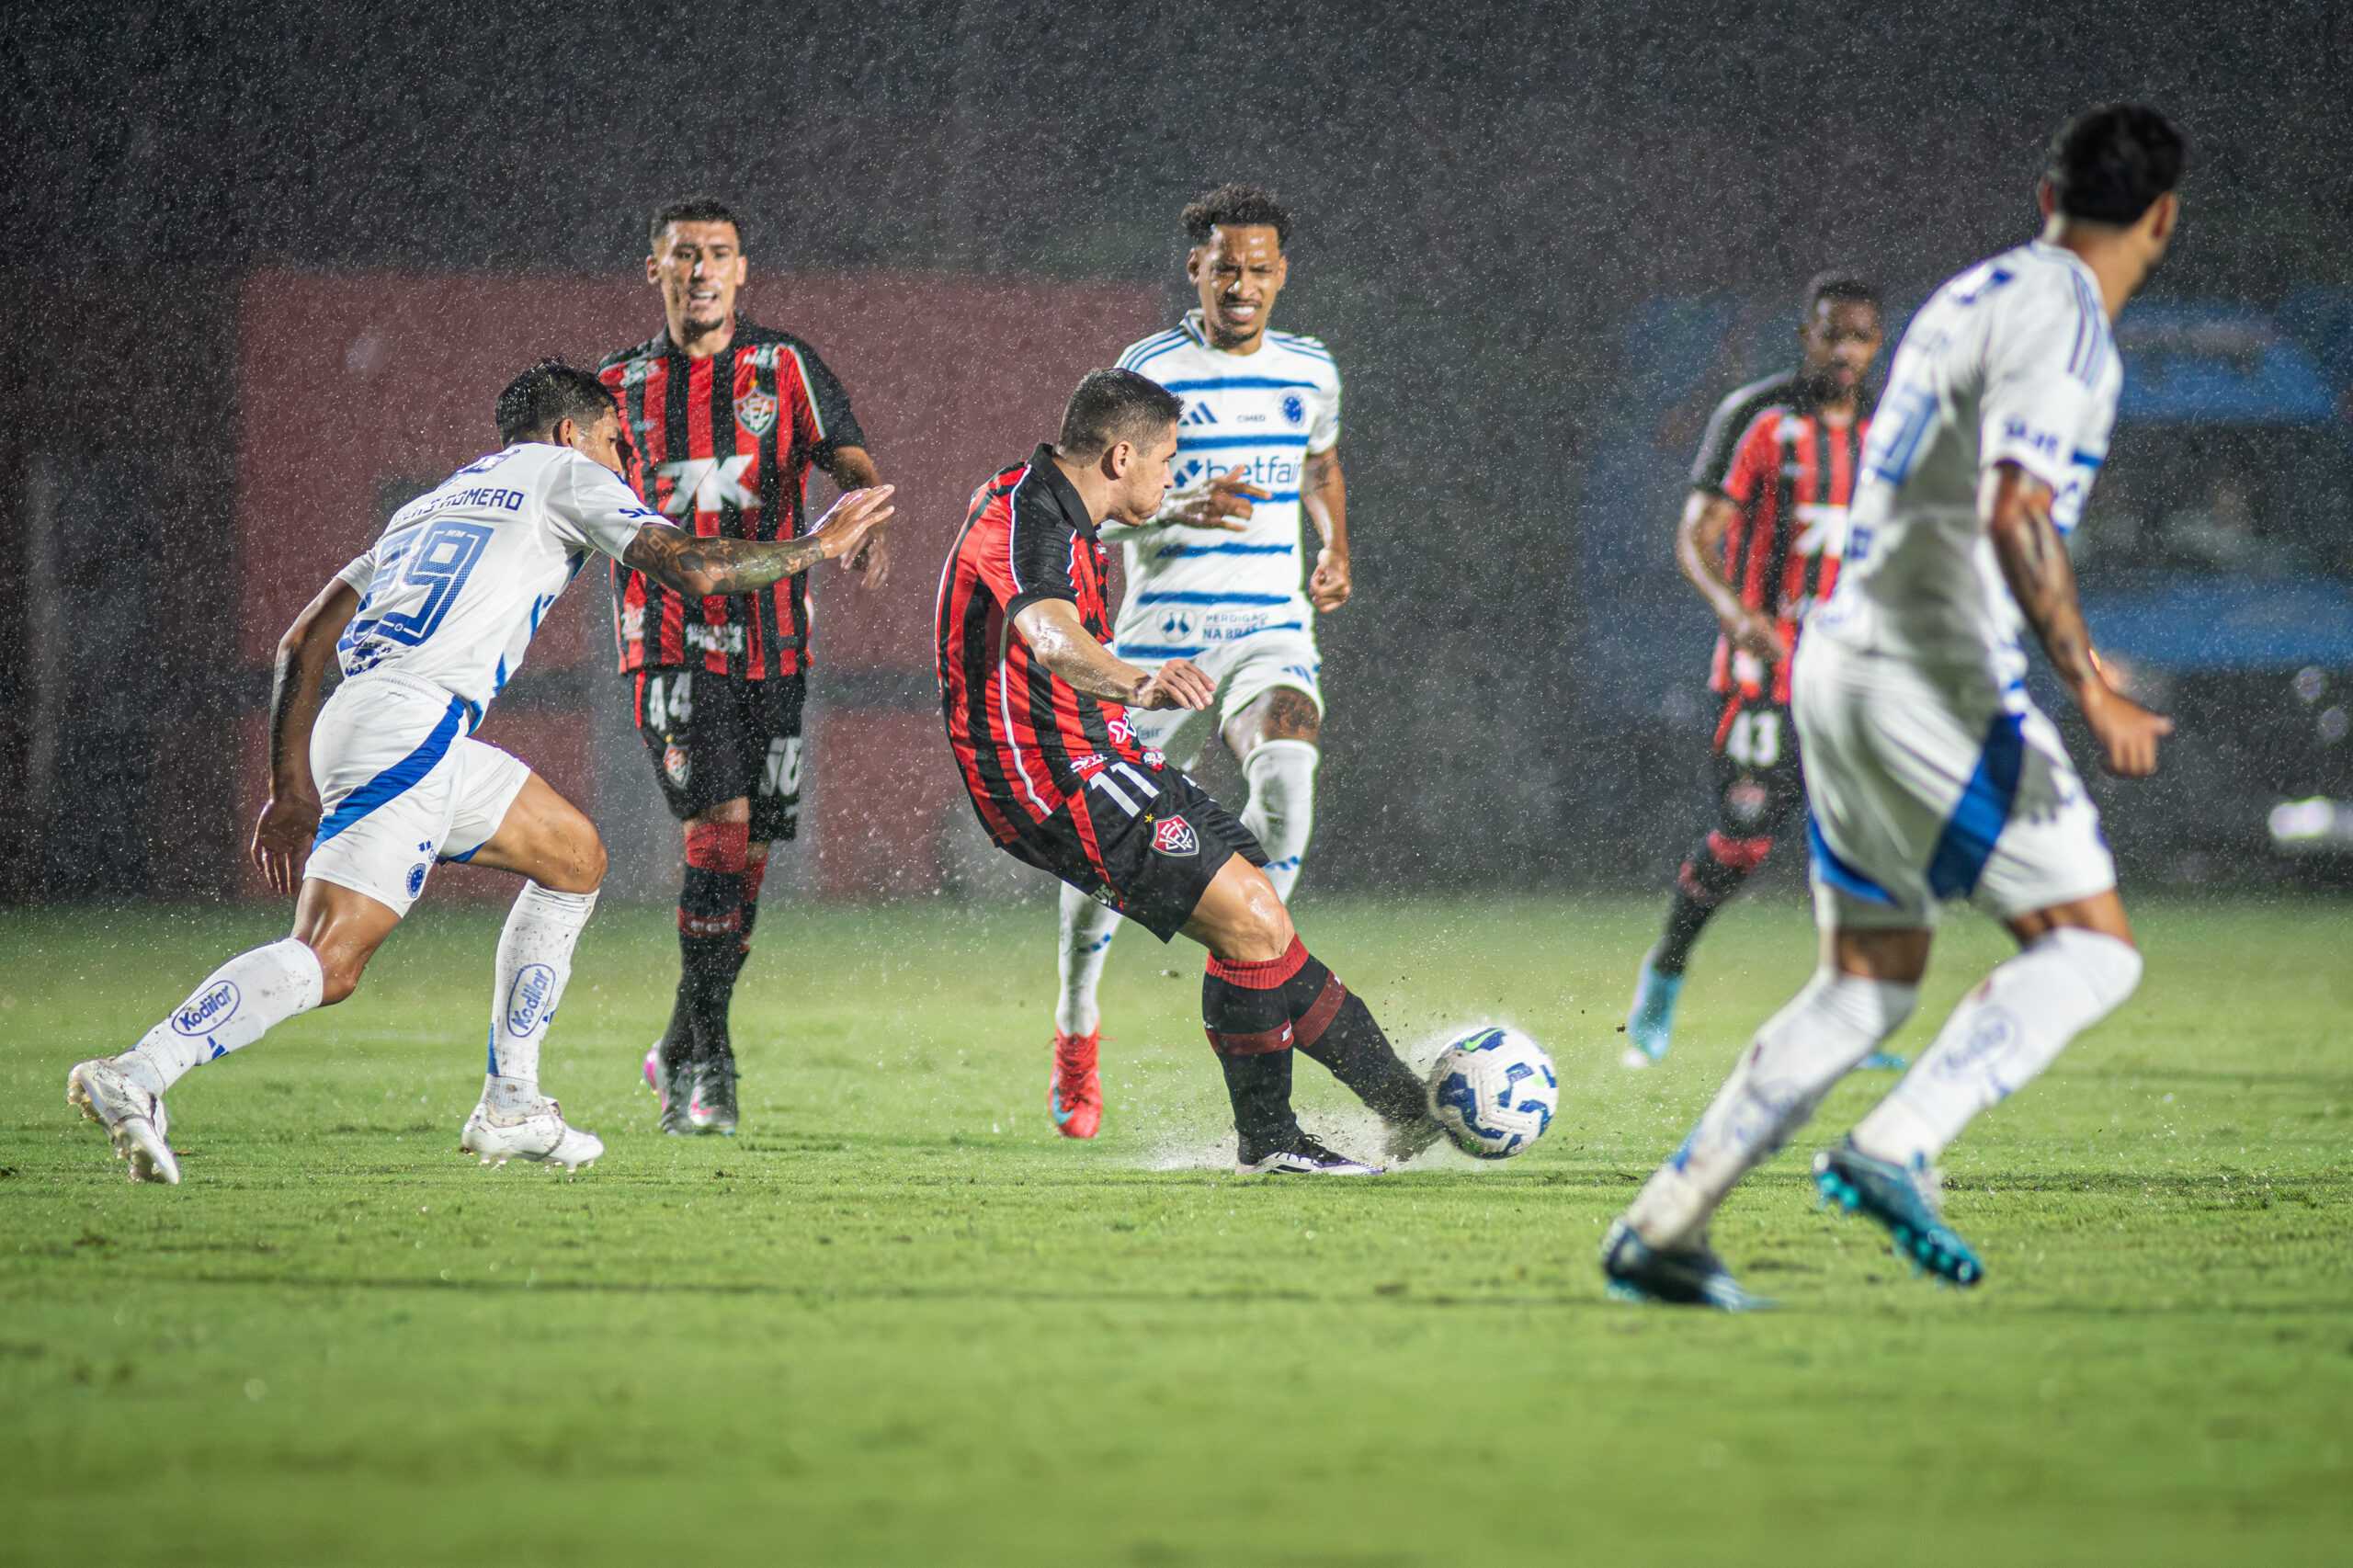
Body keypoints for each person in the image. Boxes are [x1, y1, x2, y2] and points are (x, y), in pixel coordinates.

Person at [1602, 103, 2187, 1307]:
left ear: (2046, 195)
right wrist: (2090, 681)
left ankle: (1664, 1225)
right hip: (1934, 668)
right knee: (2089, 948)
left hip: (1838, 658)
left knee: (1867, 979)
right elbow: (2017, 508)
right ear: (2164, 220)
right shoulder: (2071, 321)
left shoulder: (1972, 295)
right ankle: (1896, 1142)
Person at [66, 361, 893, 1184]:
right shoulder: (568, 472)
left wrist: (291, 786)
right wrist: (823, 542)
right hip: (409, 725)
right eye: (616, 441)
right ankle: (138, 1071)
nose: (627, 462)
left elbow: (301, 643)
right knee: (330, 959)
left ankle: (512, 1104)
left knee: (574, 858)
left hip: (384, 721)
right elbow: (698, 570)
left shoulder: (430, 502)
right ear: (572, 433)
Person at [938, 368, 1436, 1173]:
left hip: (1098, 751)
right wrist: (1139, 679)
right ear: (1121, 456)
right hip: (1047, 776)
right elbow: (1051, 636)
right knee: (1247, 921)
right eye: (1168, 461)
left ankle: (1405, 1109)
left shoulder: (1042, 495)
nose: (1172, 478)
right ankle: (1274, 1144)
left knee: (1261, 912)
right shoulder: (1032, 522)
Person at [1047, 184, 1350, 1140]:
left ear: (1282, 273)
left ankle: (1244, 960)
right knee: (1097, 838)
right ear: (1195, 270)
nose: (1242, 284)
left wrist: (1335, 540)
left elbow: (1319, 461)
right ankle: (1076, 1017)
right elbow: (1100, 503)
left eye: (1259, 268)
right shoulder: (1150, 369)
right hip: (1154, 640)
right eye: (1225, 267)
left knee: (1290, 774)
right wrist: (1180, 508)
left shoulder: (1309, 370)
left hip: (1269, 626)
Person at [599, 196, 890, 1137]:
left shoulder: (784, 367)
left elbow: (846, 453)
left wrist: (860, 518)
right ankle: (714, 1067)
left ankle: (679, 1040)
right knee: (718, 835)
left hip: (776, 640)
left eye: (717, 254)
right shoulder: (616, 388)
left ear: (742, 269)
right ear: (655, 269)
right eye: (683, 255)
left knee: (748, 861)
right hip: (670, 639)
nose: (700, 270)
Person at [1622, 273, 1904, 1072]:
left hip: (1853, 678)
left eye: (1859, 336)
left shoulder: (1892, 429)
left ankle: (1849, 1021)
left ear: (1876, 343)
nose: (1844, 350)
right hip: (1761, 673)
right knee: (1743, 838)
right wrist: (1736, 614)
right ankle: (1666, 974)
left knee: (1854, 846)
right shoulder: (1757, 417)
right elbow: (1695, 535)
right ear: (1806, 336)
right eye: (1830, 334)